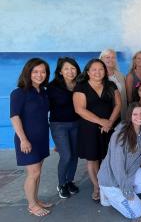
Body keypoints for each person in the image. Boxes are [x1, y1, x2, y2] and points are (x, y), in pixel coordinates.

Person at [98, 103, 141, 219]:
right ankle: (108, 195)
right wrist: (127, 192)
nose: (139, 117)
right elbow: (117, 167)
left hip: (129, 172)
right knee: (137, 212)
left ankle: (123, 194)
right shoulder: (120, 135)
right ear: (129, 115)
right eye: (135, 114)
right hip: (111, 180)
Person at [73, 59, 121, 201]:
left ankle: (109, 184)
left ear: (105, 71)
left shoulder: (111, 85)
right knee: (93, 158)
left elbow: (118, 104)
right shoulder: (81, 87)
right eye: (94, 69)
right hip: (89, 128)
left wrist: (110, 122)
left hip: (109, 127)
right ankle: (97, 187)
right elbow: (79, 109)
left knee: (109, 156)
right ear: (88, 72)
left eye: (101, 69)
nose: (97, 72)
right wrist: (101, 122)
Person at [10, 58, 52, 216]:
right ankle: (32, 205)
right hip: (27, 139)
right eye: (35, 71)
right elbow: (14, 117)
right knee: (33, 173)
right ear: (28, 72)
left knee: (38, 172)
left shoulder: (43, 92)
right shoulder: (19, 93)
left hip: (41, 138)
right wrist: (23, 139)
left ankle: (35, 199)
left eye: (43, 72)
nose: (39, 75)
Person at [48, 57, 81, 199]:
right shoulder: (53, 86)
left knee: (74, 155)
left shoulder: (80, 84)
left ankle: (69, 181)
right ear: (60, 71)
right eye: (66, 68)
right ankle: (61, 184)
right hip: (59, 125)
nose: (70, 71)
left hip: (76, 124)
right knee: (66, 155)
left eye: (73, 68)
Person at [100, 49, 128, 121]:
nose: (111, 59)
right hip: (104, 116)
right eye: (107, 57)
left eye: (113, 57)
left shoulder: (121, 76)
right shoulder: (97, 76)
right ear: (102, 59)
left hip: (120, 115)